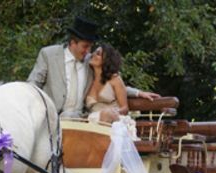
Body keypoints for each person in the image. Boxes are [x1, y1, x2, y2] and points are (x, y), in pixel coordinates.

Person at [27, 16, 159, 118]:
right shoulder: (49, 54)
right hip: (51, 118)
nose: (89, 51)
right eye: (85, 46)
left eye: (90, 46)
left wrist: (138, 93)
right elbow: (33, 84)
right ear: (73, 42)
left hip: (81, 118)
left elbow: (110, 80)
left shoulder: (90, 61)